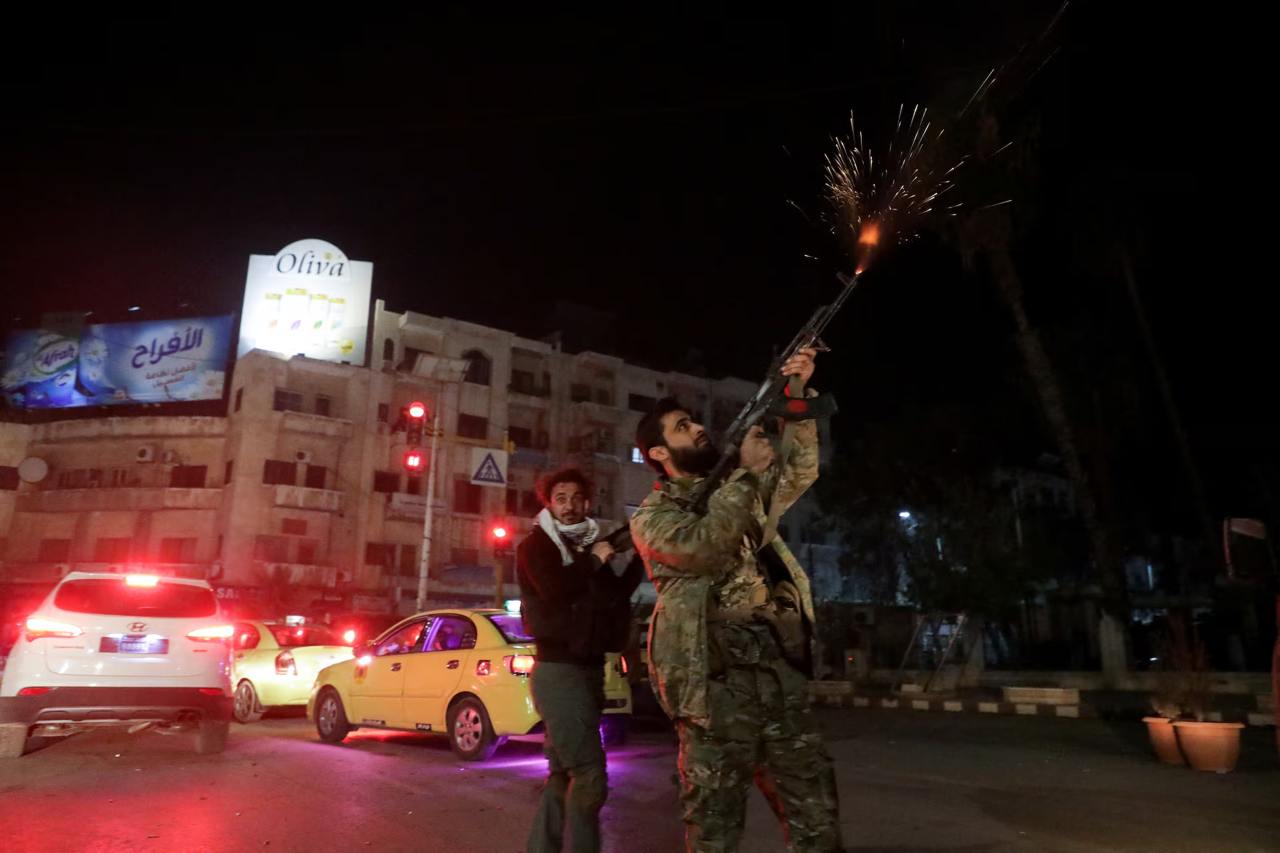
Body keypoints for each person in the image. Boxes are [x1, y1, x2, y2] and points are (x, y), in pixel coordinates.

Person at [629, 347, 841, 852]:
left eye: (694, 420)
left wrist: (795, 393)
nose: (699, 429)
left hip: (778, 680)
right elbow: (705, 547)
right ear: (658, 453)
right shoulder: (652, 517)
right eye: (683, 427)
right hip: (715, 697)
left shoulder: (735, 488)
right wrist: (744, 474)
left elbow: (797, 471)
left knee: (818, 824)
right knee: (715, 834)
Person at [517, 467, 645, 853]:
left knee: (561, 773)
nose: (569, 506)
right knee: (589, 775)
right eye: (561, 499)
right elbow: (554, 589)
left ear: (587, 503)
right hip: (560, 673)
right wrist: (594, 560)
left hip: (589, 670)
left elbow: (615, 594)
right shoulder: (536, 546)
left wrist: (640, 554)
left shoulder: (587, 548)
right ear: (549, 504)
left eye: (576, 498)